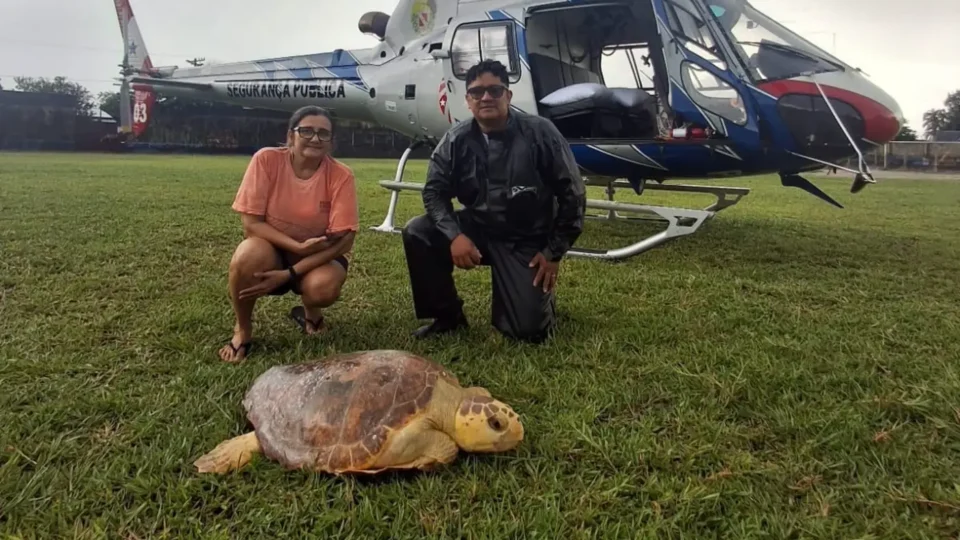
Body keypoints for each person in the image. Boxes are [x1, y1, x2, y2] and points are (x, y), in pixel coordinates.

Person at [401, 58, 587, 344]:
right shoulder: (455, 139)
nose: (486, 97)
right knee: (418, 231)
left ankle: (539, 301)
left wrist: (553, 252)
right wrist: (454, 236)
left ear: (508, 95)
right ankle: (448, 316)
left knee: (527, 333)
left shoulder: (541, 133)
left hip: (526, 238)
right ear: (468, 100)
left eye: (495, 90)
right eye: (477, 92)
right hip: (479, 228)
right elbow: (434, 192)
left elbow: (572, 195)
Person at [218, 106, 359, 363]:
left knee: (323, 288)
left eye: (323, 134)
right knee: (245, 256)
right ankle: (243, 329)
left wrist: (290, 272)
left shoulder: (341, 175)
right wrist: (296, 245)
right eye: (306, 131)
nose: (315, 138)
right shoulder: (266, 160)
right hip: (273, 249)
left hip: (319, 254)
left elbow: (344, 241)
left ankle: (310, 312)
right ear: (291, 135)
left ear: (330, 142)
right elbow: (251, 223)